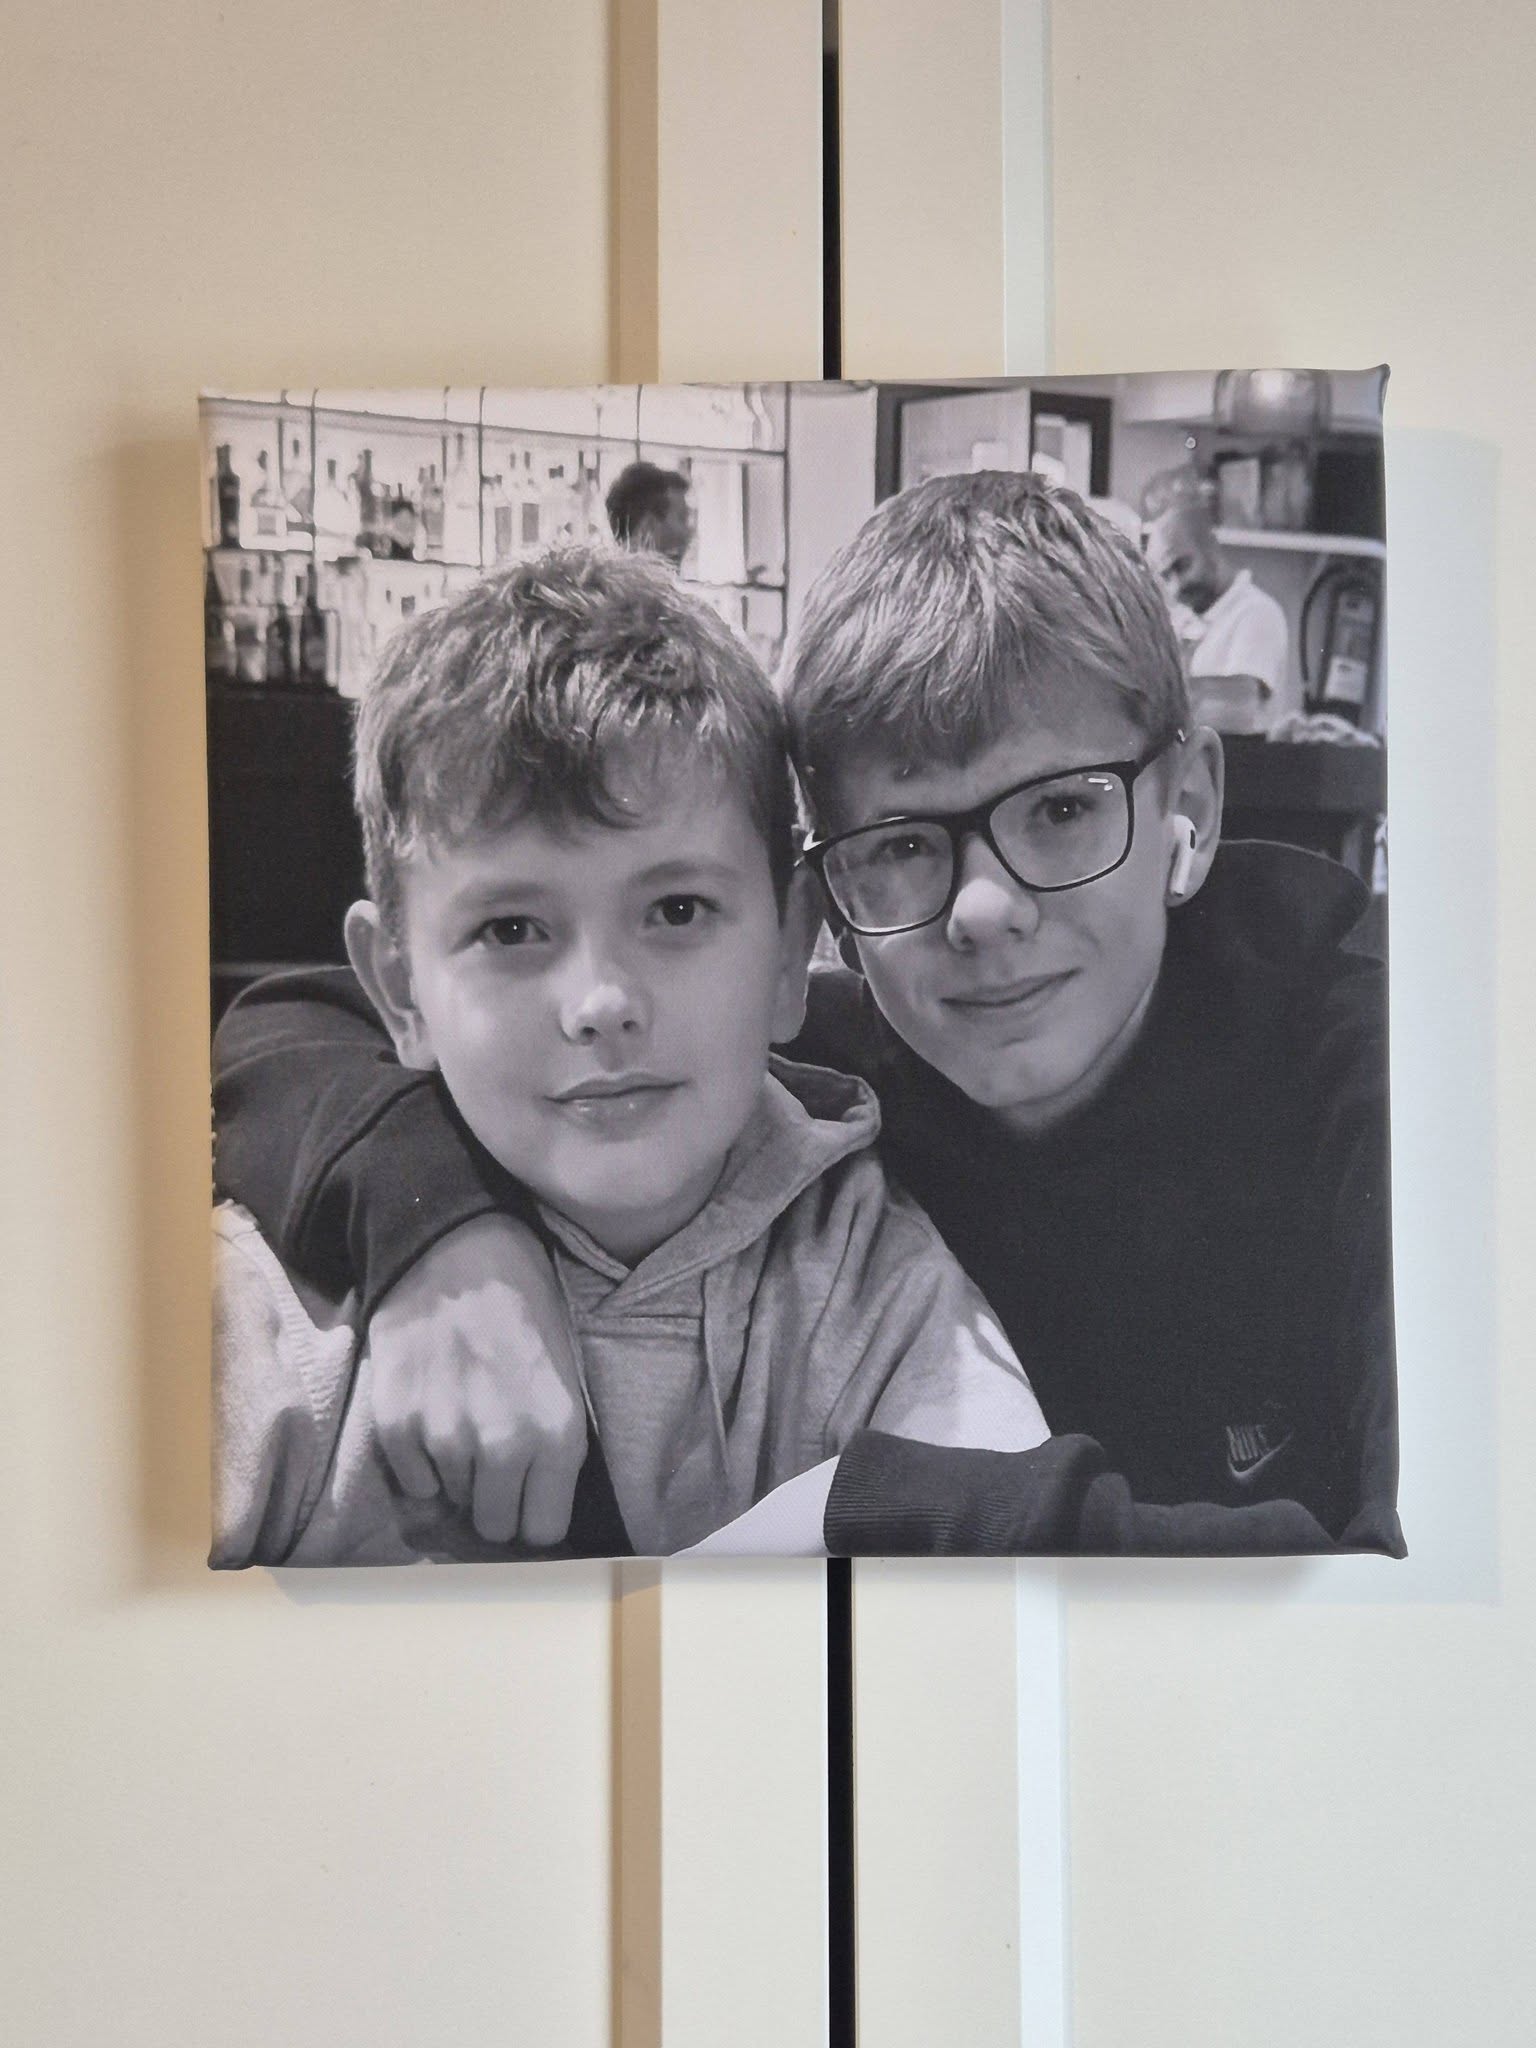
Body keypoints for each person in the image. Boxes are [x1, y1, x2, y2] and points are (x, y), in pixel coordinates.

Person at [213, 472, 1401, 1559]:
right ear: (826, 911)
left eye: (1061, 810)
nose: (984, 908)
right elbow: (301, 1023)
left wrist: (867, 1508)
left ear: (1190, 802)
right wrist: (441, 1232)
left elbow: (1440, 1617)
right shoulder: (806, 1054)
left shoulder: (1381, 1080)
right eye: (902, 843)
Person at [210, 546, 1047, 1567]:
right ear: (399, 987)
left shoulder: (877, 1289)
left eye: (677, 910)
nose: (602, 1003)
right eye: (512, 930)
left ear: (793, 949)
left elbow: (1003, 1577)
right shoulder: (271, 1317)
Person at [1141, 468, 1289, 723]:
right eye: (1165, 575)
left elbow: (1242, 707)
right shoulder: (1182, 618)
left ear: (1210, 546)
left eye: (1182, 566)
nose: (1176, 586)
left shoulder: (1258, 612)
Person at [605, 460, 694, 567]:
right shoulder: (633, 577)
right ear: (649, 527)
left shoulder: (605, 574)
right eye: (682, 518)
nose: (689, 533)